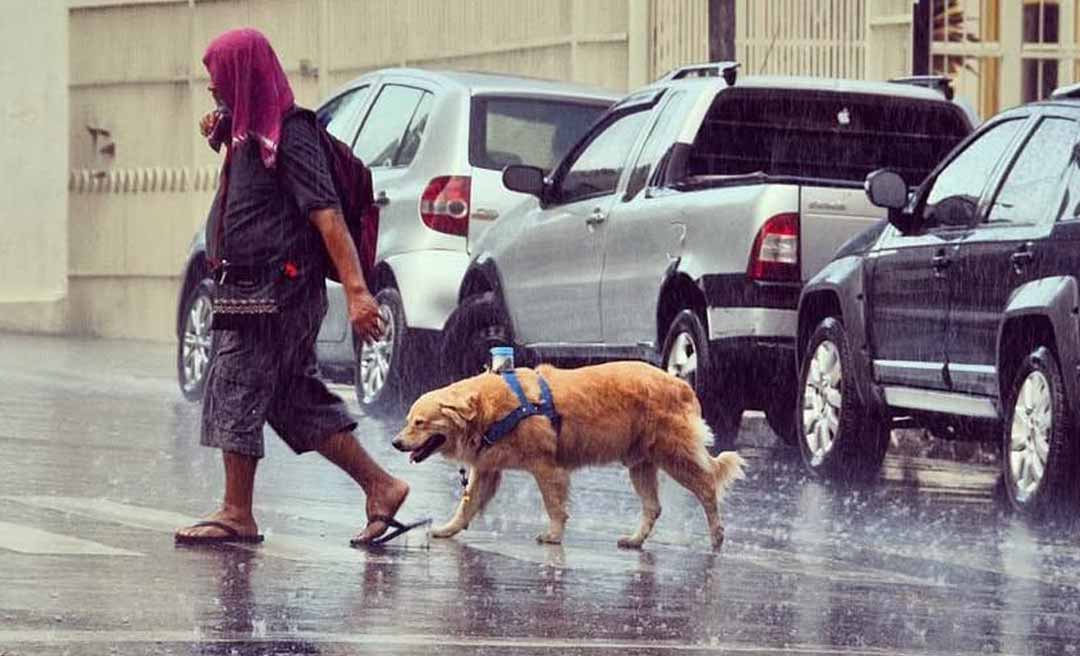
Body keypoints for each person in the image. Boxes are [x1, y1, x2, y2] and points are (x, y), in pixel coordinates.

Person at [175, 28, 416, 547]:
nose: (213, 87)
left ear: (243, 74)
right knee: (290, 398)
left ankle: (237, 511)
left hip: (276, 292)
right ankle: (381, 487)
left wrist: (357, 290)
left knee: (237, 383)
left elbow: (327, 216)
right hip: (250, 288)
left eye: (219, 78)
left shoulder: (292, 134)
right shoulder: (252, 133)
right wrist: (221, 125)